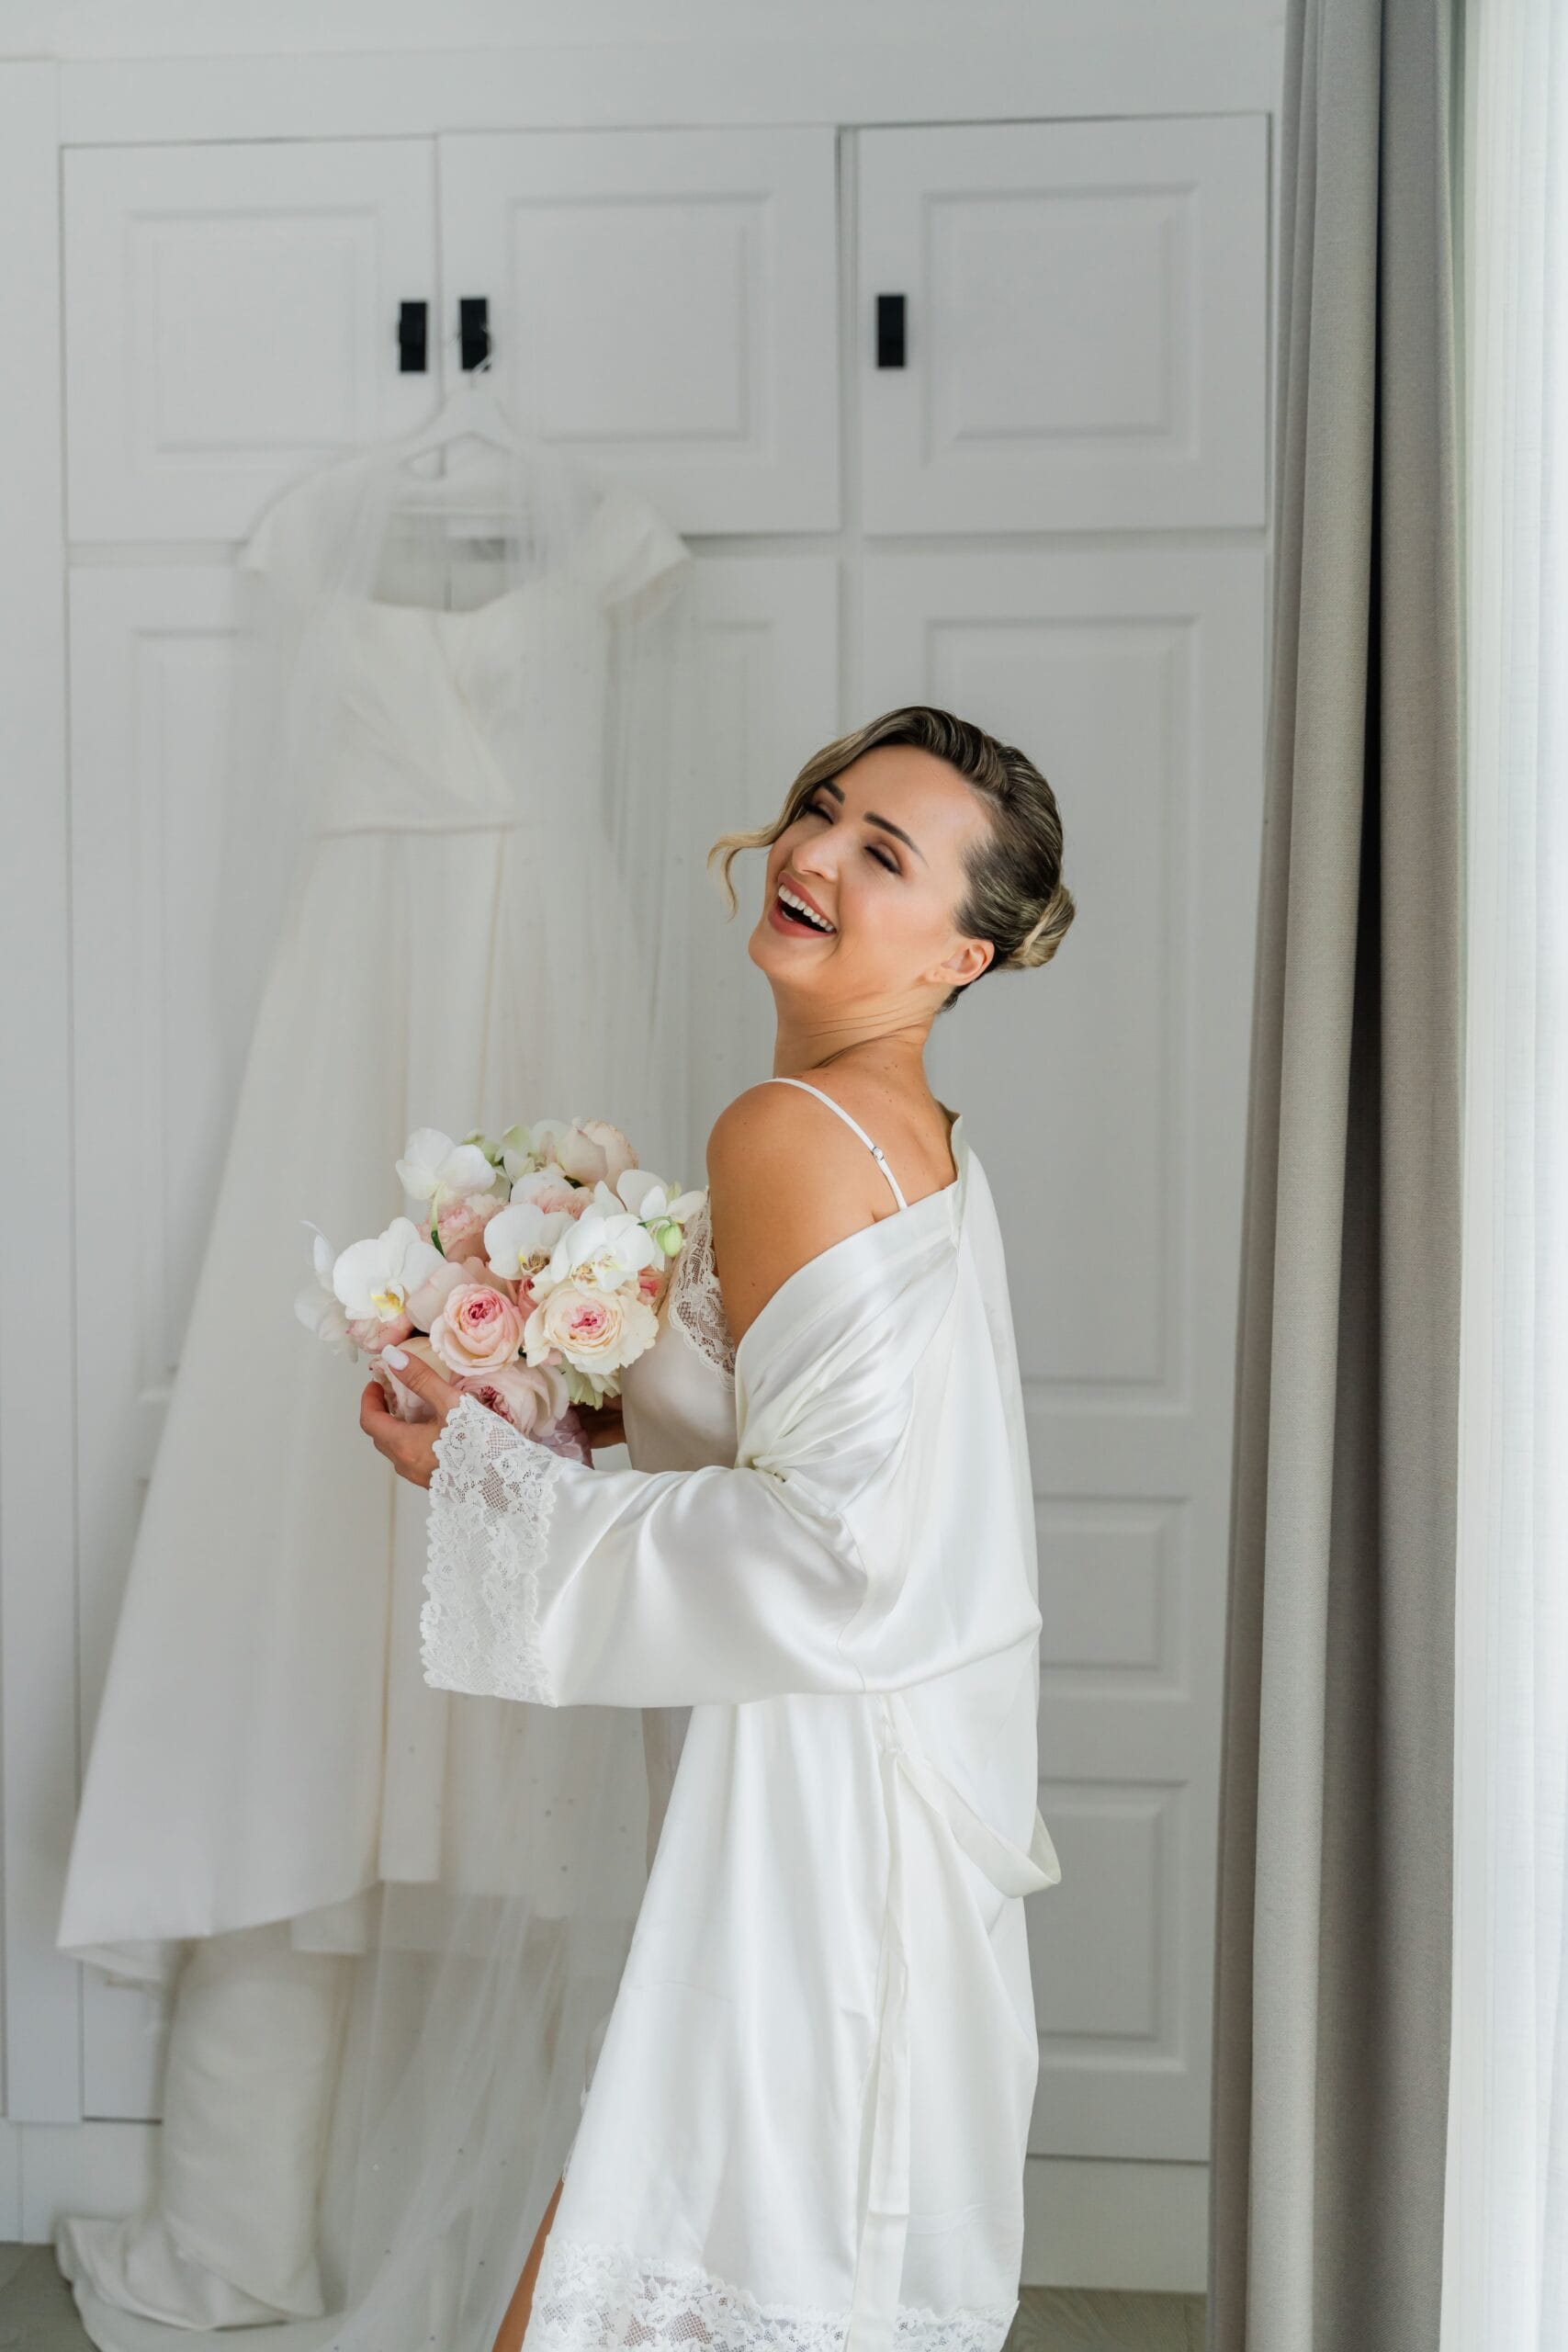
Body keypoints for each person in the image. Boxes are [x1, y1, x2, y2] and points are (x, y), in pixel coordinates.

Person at [360, 704, 1076, 2352]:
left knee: (648, 2241)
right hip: (875, 1769)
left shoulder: (787, 1130)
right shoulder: (911, 1135)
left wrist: (483, 1482)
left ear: (961, 957)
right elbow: (840, 1433)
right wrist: (580, 1401)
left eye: (883, 852)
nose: (813, 852)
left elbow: (834, 1548)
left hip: (816, 1804)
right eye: (822, 809)